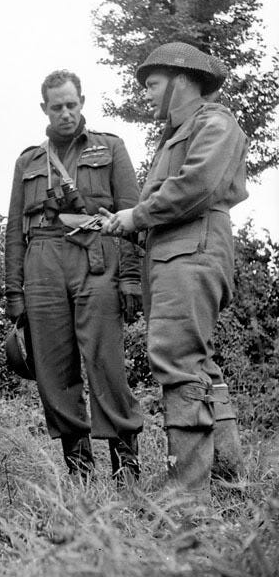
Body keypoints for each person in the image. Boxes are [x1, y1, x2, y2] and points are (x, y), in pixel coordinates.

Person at [100, 41, 248, 496]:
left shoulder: (214, 123)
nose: (147, 94)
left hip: (191, 253)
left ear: (182, 80)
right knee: (199, 365)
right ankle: (227, 483)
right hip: (178, 253)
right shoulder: (178, 133)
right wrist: (130, 222)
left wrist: (135, 216)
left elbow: (196, 187)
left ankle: (187, 499)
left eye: (153, 84)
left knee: (178, 363)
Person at [5, 70, 143, 484]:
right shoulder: (28, 160)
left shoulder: (111, 147)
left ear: (82, 101)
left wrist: (131, 278)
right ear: (43, 108)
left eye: (71, 104)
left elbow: (132, 214)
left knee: (106, 362)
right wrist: (14, 293)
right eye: (56, 107)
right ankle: (79, 470)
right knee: (52, 367)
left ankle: (126, 468)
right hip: (42, 263)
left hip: (96, 258)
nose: (65, 113)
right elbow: (15, 230)